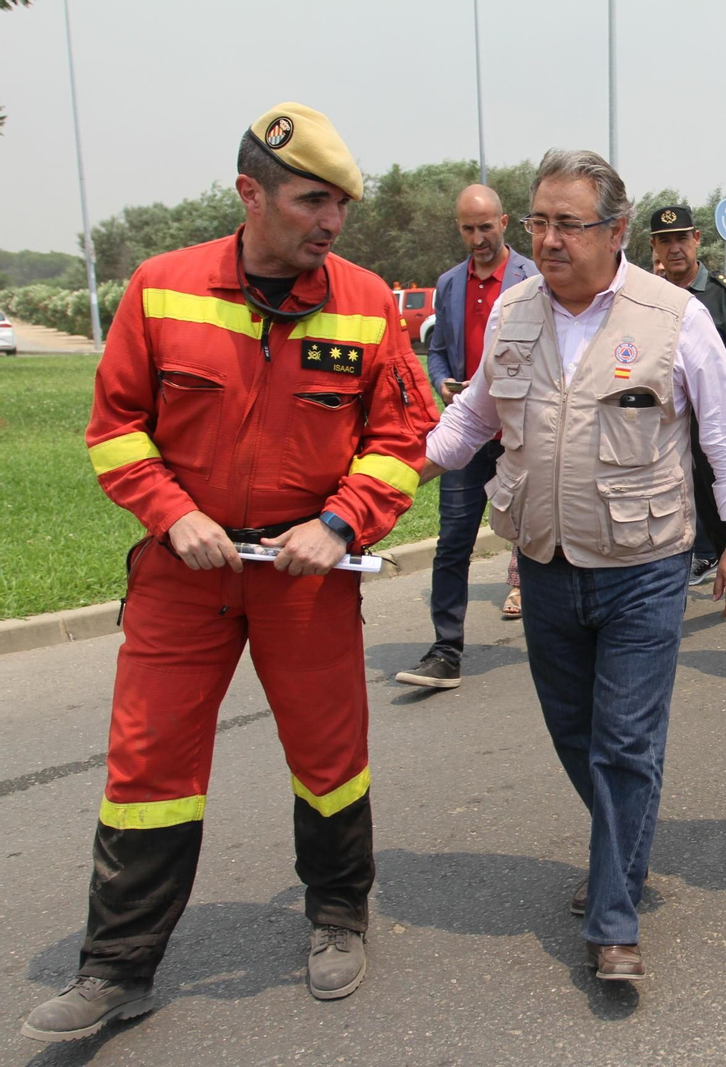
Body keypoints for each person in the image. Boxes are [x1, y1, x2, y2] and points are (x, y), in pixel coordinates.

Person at [23, 103, 437, 1043]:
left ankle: (338, 913)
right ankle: (116, 966)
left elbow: (400, 436)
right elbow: (115, 428)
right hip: (184, 571)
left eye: (342, 206)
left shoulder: (367, 301)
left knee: (329, 756)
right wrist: (173, 515)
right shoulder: (160, 288)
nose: (330, 224)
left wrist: (339, 523)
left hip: (306, 574)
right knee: (148, 762)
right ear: (250, 194)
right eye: (311, 202)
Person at [423, 149, 726, 981]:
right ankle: (630, 849)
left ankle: (614, 916)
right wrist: (382, 476)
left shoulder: (673, 316)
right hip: (543, 563)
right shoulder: (511, 313)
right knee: (576, 732)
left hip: (645, 567)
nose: (546, 239)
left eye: (567, 224)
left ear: (615, 231)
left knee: (622, 740)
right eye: (538, 221)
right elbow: (468, 423)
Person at [396, 185, 537, 689]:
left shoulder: (533, 277)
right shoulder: (450, 284)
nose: (477, 238)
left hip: (521, 434)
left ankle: (552, 639)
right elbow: (437, 351)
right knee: (452, 542)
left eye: (486, 227)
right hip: (466, 431)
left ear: (503, 222)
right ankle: (444, 650)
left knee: (535, 537)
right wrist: (443, 384)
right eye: (467, 228)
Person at [648, 206, 726, 616]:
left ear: (696, 239)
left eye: (681, 239)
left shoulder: (718, 291)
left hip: (710, 416)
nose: (674, 249)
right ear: (654, 246)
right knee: (669, 498)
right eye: (665, 241)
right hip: (664, 416)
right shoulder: (650, 293)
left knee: (716, 497)